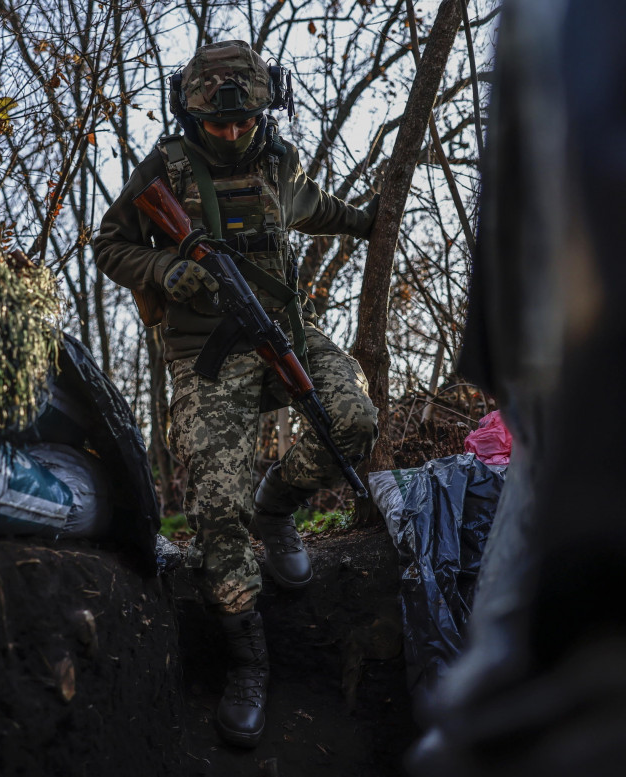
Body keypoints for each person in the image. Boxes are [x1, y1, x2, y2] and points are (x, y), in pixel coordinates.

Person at [93, 40, 380, 748]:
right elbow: (107, 245)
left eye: (242, 121)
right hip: (205, 357)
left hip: (279, 333)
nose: (230, 133)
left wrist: (372, 217)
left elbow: (318, 209)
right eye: (216, 124)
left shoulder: (280, 161)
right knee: (216, 506)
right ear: (191, 114)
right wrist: (165, 270)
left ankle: (278, 506)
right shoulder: (166, 168)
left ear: (262, 109)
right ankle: (248, 663)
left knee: (351, 414)